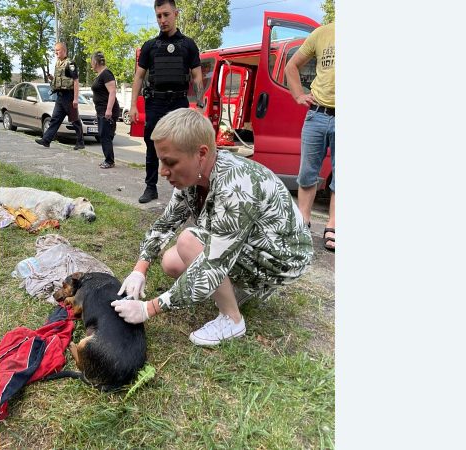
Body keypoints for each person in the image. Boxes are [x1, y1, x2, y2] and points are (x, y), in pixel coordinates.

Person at [110, 108, 313, 346]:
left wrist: (149, 308)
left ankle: (232, 320)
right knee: (172, 262)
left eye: (170, 162)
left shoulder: (236, 186)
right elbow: (166, 222)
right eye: (160, 161)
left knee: (189, 241)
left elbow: (213, 262)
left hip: (282, 260)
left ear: (201, 154)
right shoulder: (194, 177)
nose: (162, 171)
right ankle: (238, 290)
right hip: (251, 247)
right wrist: (139, 269)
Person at [129, 0, 204, 203]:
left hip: (179, 103)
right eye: (159, 16)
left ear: (176, 13)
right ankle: (150, 187)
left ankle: (184, 191)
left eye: (166, 14)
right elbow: (138, 77)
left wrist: (200, 104)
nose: (162, 20)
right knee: (153, 145)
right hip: (156, 103)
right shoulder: (150, 46)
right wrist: (133, 105)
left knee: (184, 146)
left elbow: (197, 76)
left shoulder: (188, 45)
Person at [285, 22, 335, 251]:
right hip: (318, 114)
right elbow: (291, 66)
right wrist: (298, 94)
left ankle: (333, 226)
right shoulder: (322, 33)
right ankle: (303, 220)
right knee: (307, 172)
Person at [36, 42, 85, 151]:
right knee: (55, 119)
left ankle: (80, 142)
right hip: (60, 97)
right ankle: (46, 140)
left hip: (69, 96)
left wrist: (76, 99)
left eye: (57, 50)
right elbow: (60, 81)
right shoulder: (58, 63)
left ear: (64, 50)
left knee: (74, 120)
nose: (56, 52)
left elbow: (76, 81)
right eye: (55, 50)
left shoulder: (70, 63)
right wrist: (52, 78)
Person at [89, 51, 120, 169]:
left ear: (95, 62)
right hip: (101, 109)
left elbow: (112, 92)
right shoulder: (100, 74)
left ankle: (109, 161)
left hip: (107, 110)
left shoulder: (106, 74)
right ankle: (108, 159)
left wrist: (108, 110)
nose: (91, 64)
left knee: (104, 135)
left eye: (92, 62)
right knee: (105, 135)